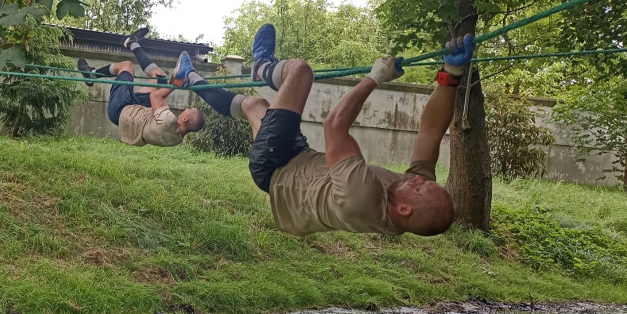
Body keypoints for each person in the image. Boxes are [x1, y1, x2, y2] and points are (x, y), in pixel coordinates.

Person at [174, 23, 476, 237]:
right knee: (255, 107)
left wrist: (374, 79)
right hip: (294, 161)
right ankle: (190, 78)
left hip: (275, 164)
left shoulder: (364, 199)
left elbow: (334, 125)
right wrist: (450, 76)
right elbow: (431, 131)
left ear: (405, 210)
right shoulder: (414, 194)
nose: (417, 181)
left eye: (419, 188)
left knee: (301, 72)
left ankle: (262, 67)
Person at [77, 28, 205, 147]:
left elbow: (154, 96)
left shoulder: (169, 121)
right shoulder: (176, 139)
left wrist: (178, 82)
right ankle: (132, 43)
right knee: (160, 77)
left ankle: (92, 74)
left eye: (189, 110)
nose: (186, 109)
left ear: (185, 118)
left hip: (120, 110)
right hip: (136, 113)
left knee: (126, 66)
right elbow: (158, 103)